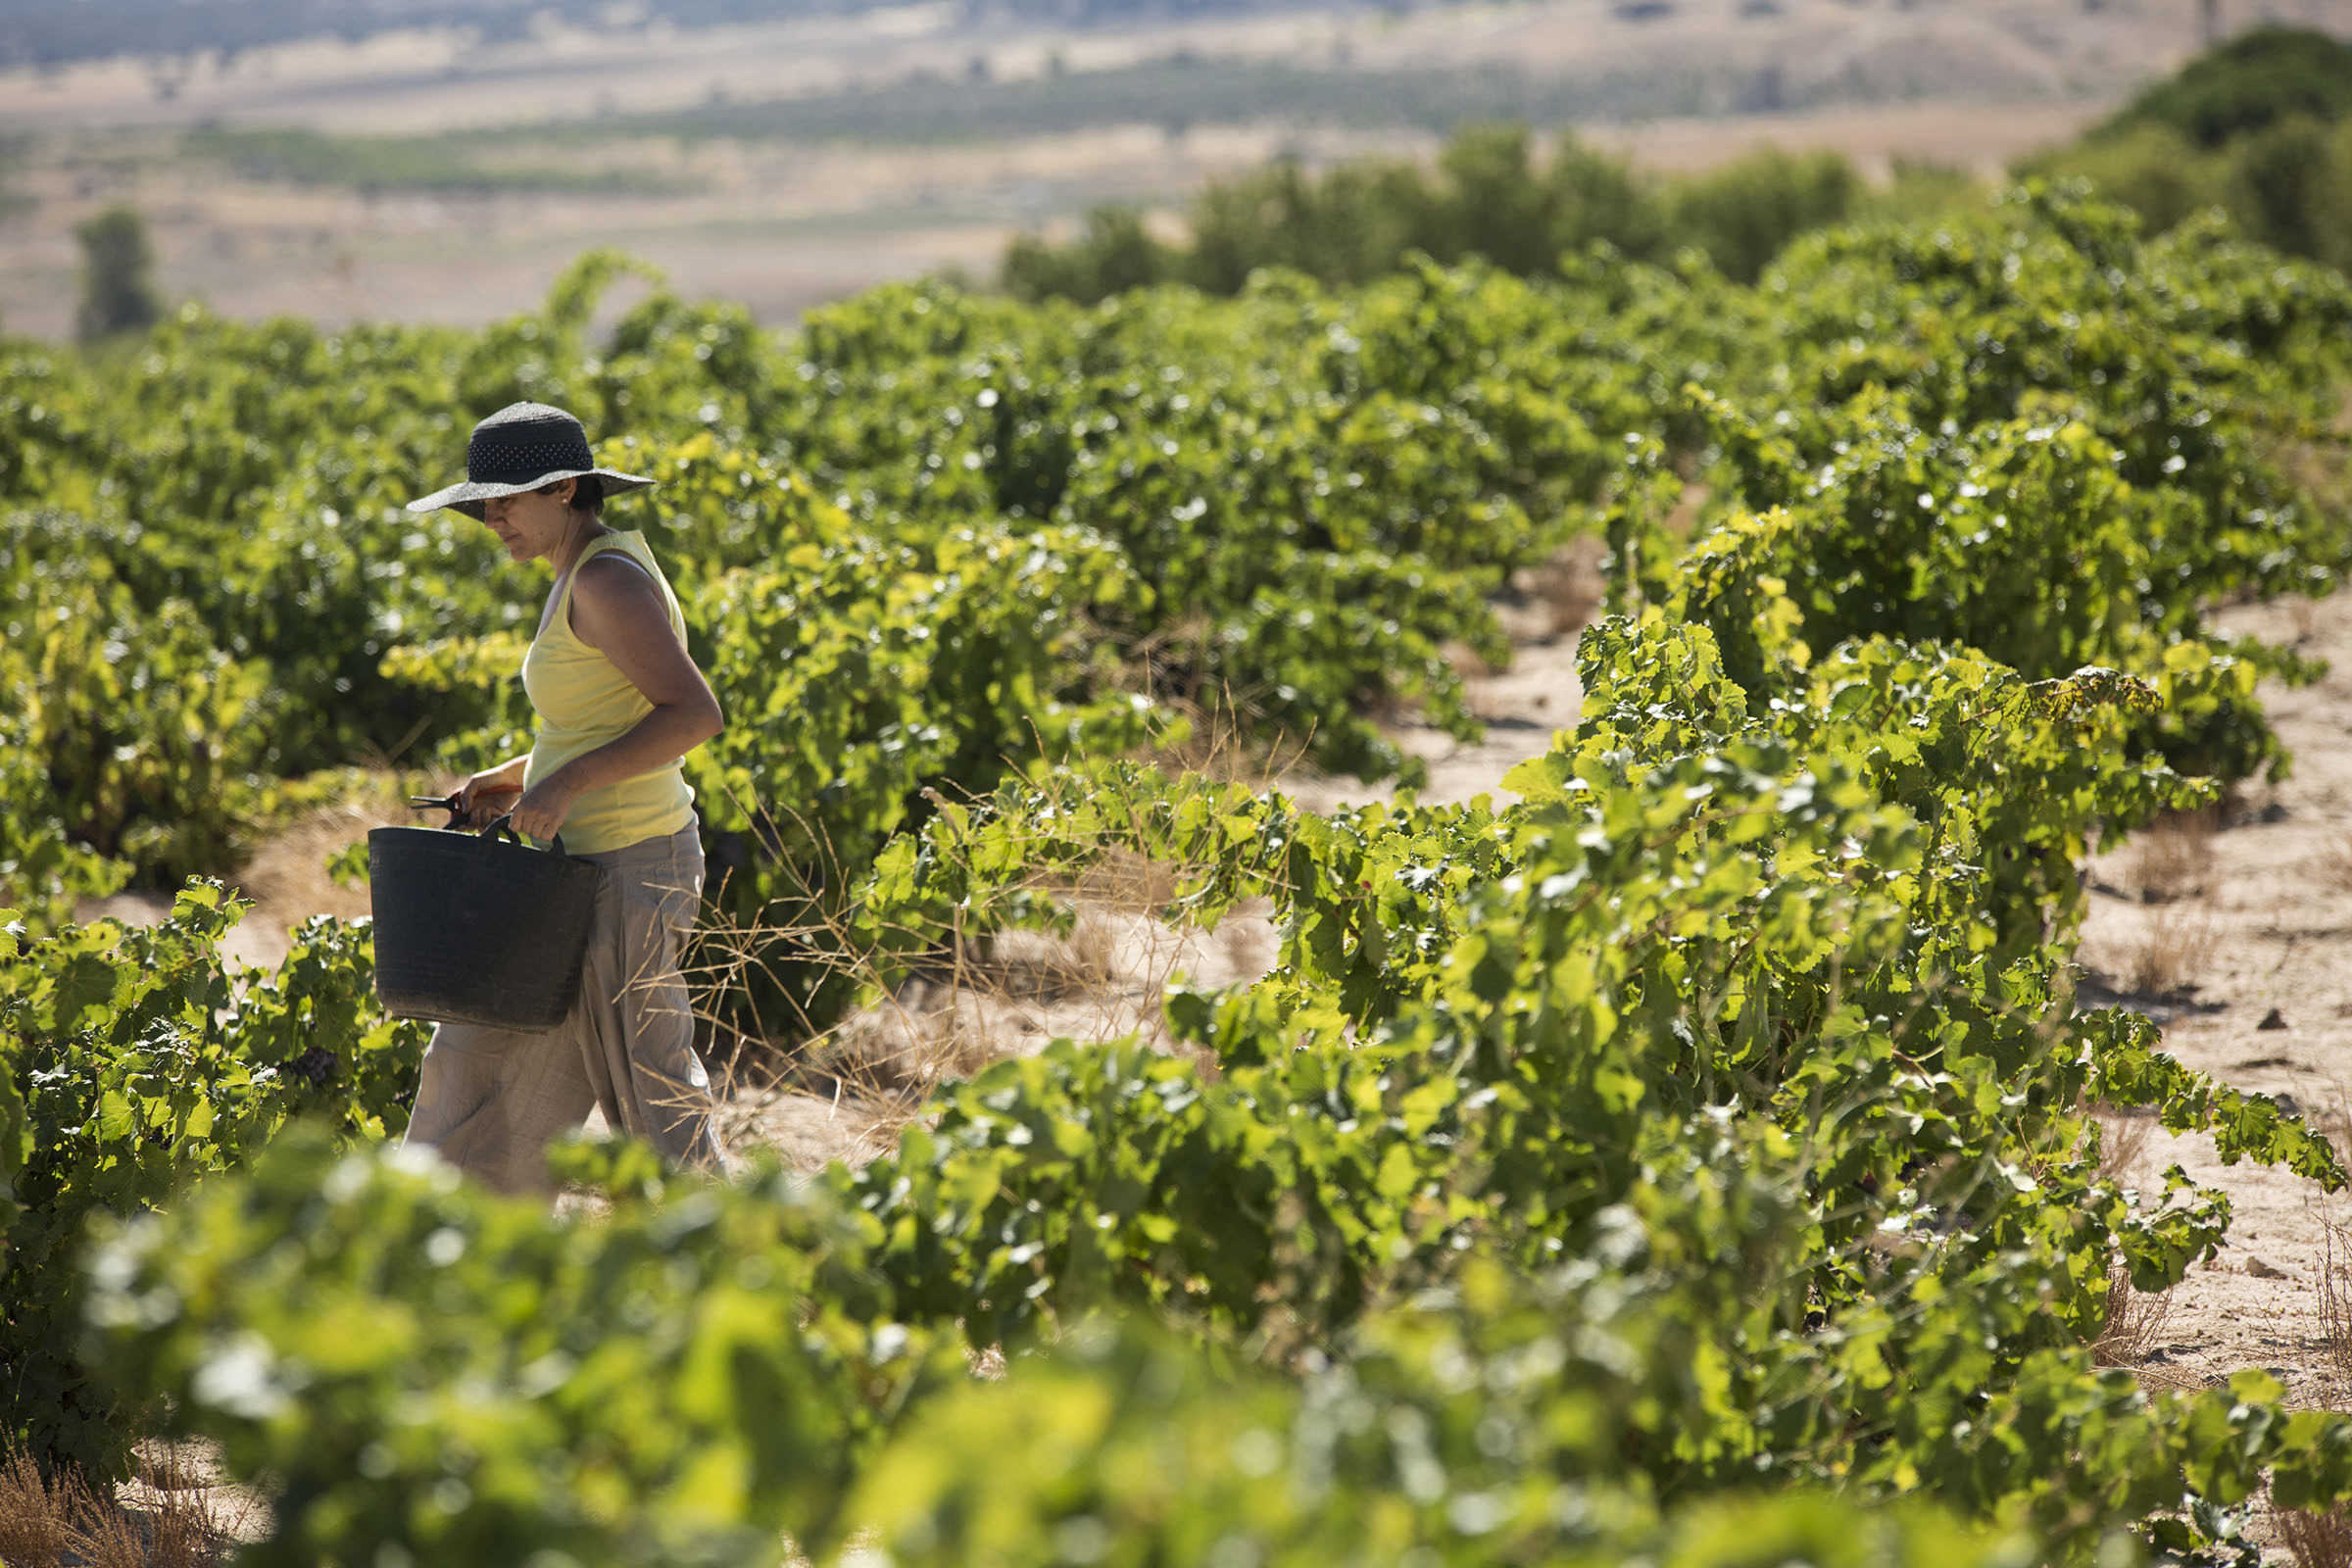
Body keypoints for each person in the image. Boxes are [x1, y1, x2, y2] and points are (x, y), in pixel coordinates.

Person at [397, 400, 727, 1194]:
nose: (492, 515)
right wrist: (518, 776)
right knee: (471, 1070)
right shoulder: (581, 572)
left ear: (568, 489)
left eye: (510, 497)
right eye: (484, 500)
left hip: (628, 873)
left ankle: (750, 1286)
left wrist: (569, 782)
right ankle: (449, 1269)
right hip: (568, 875)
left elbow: (693, 715)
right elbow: (597, 721)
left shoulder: (606, 581)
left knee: (652, 1107)